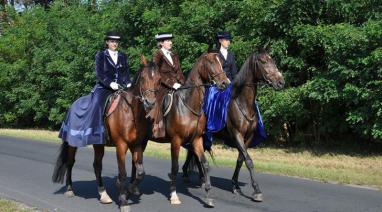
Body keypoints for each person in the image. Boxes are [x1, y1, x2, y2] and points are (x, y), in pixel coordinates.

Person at [59, 31, 132, 147]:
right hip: (104, 88)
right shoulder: (101, 55)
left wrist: (128, 83)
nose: (115, 44)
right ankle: (96, 133)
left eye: (116, 41)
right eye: (112, 41)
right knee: (97, 104)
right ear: (107, 42)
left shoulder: (122, 56)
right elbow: (99, 74)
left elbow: (126, 73)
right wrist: (111, 83)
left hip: (121, 88)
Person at [148, 32, 185, 138]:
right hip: (163, 86)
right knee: (159, 102)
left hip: (177, 85)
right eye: (168, 41)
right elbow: (157, 73)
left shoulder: (174, 55)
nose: (170, 43)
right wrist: (172, 84)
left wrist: (183, 83)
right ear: (161, 43)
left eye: (170, 40)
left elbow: (179, 71)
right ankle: (157, 127)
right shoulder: (157, 55)